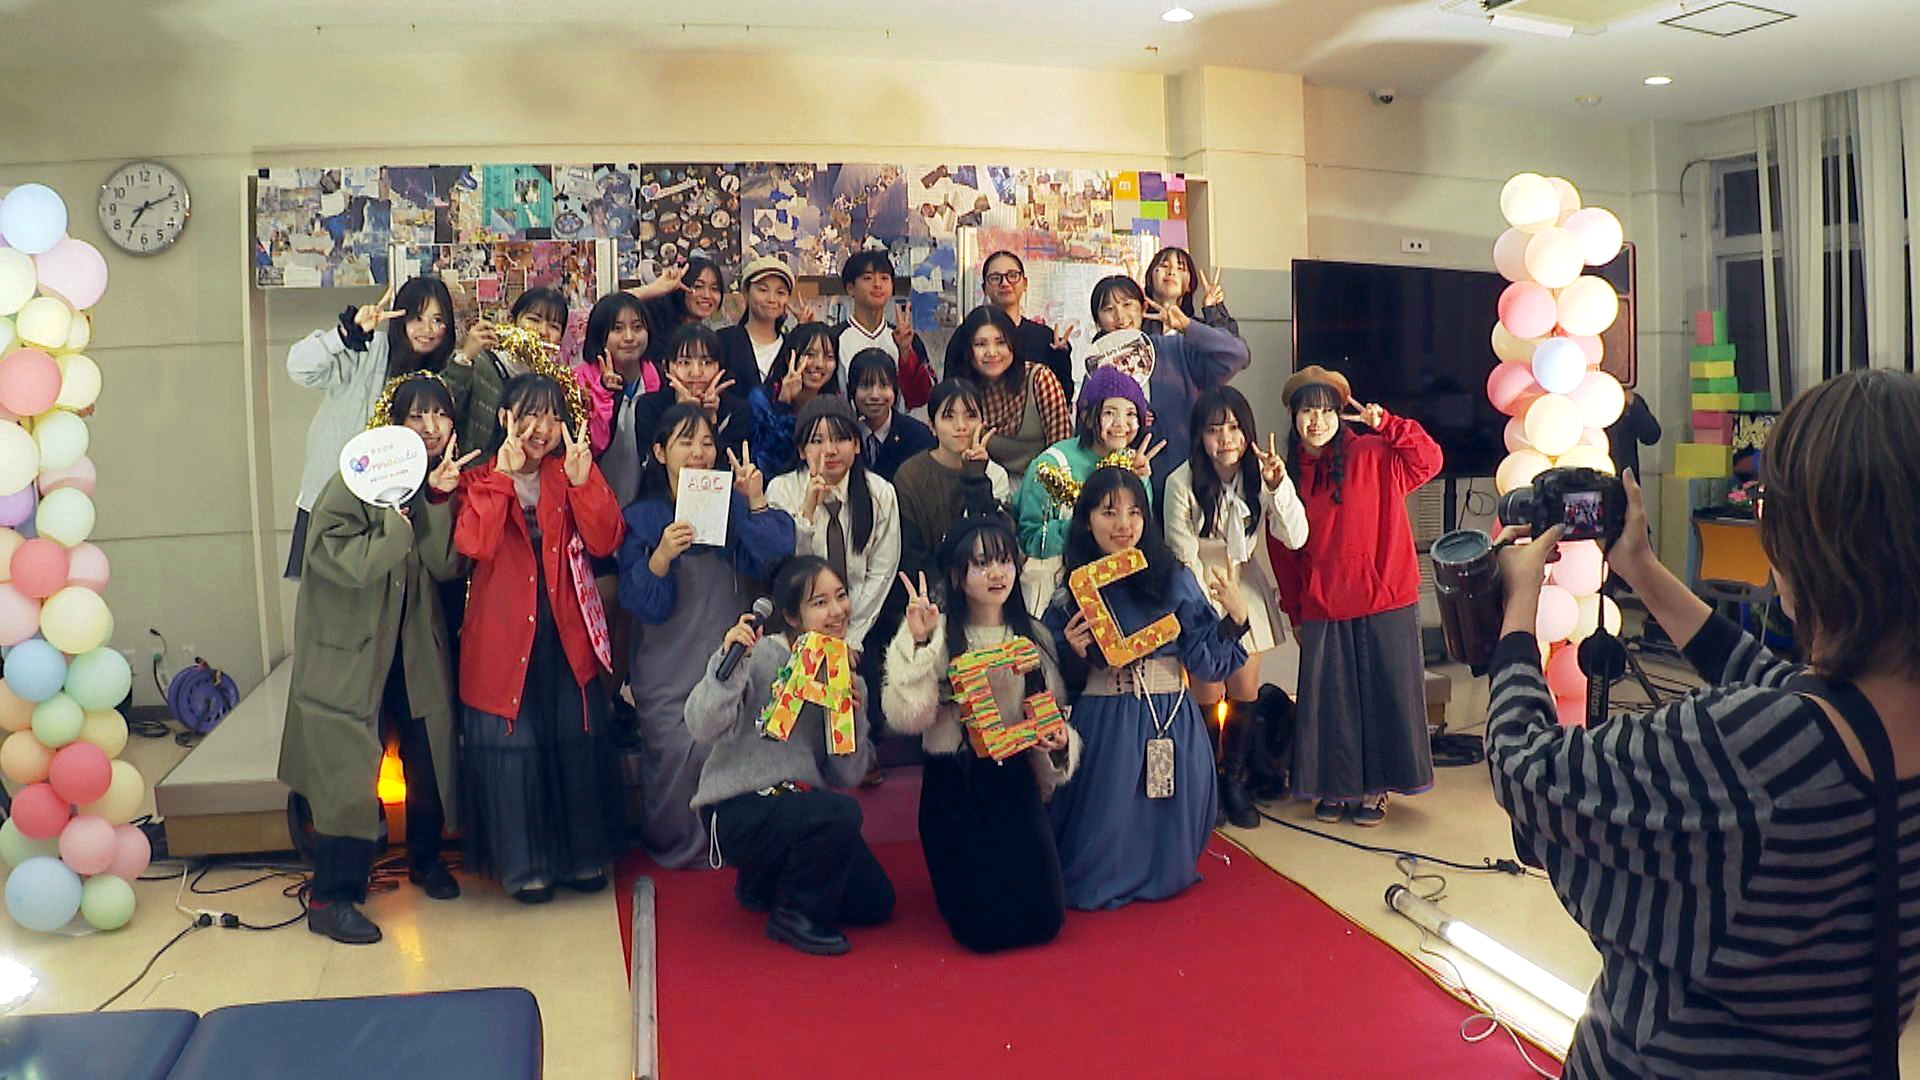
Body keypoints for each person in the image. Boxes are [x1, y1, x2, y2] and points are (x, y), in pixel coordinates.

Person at [1485, 369, 1920, 1078]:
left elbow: (1524, 767)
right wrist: (1642, 569)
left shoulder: (1753, 753)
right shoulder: (1849, 722)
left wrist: (1515, 614)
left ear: (1813, 541)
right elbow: (1774, 682)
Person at [280, 373, 476, 944]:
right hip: (351, 658)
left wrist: (437, 500)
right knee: (347, 778)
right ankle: (332, 896)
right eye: (417, 416)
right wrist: (397, 520)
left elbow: (445, 564)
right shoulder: (353, 481)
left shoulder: (435, 483)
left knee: (426, 755)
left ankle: (425, 858)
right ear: (395, 425)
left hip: (413, 651)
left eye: (441, 415)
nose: (431, 427)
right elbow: (346, 561)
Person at [454, 373, 627, 901]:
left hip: (565, 631)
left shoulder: (569, 470)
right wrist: (502, 479)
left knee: (576, 741)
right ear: (504, 418)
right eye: (529, 414)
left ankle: (581, 856)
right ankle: (524, 866)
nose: (541, 427)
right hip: (503, 638)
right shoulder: (479, 477)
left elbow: (606, 539)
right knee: (516, 750)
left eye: (552, 416)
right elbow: (474, 545)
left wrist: (584, 482)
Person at [1044, 467, 1249, 910]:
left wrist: (1235, 621)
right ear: (1086, 520)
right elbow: (1049, 675)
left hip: (1172, 717)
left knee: (1169, 824)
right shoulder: (1073, 589)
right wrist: (1072, 653)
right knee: (1099, 835)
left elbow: (1206, 663)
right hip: (1104, 722)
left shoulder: (1173, 576)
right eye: (1109, 512)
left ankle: (1164, 869)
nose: (1123, 524)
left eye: (1134, 512)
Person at [882, 517, 1080, 952]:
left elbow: (1052, 712)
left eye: (1004, 561)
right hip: (955, 787)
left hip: (1014, 784)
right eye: (981, 564)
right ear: (956, 575)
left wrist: (1059, 744)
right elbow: (908, 717)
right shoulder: (935, 633)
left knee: (1045, 919)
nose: (996, 574)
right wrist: (918, 644)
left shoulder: (1035, 635)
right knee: (982, 930)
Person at [685, 557, 894, 956]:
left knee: (876, 902)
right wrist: (727, 665)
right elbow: (701, 725)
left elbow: (848, 775)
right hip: (737, 806)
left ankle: (761, 881)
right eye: (820, 603)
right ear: (792, 616)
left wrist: (852, 714)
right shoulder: (757, 654)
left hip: (798, 806)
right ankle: (793, 915)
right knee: (839, 814)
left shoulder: (846, 676)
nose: (837, 611)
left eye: (841, 596)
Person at [618, 405, 795, 868]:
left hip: (723, 650)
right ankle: (675, 847)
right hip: (666, 660)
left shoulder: (733, 505)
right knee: (675, 751)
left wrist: (755, 501)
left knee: (725, 742)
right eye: (685, 442)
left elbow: (775, 558)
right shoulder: (641, 516)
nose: (698, 452)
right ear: (660, 452)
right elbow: (641, 603)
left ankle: (729, 846)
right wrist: (661, 556)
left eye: (706, 442)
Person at [1265, 367, 1441, 826]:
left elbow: (1429, 460)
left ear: (1341, 415)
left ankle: (1375, 790)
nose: (1317, 421)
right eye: (1308, 411)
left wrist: (1390, 424)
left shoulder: (1374, 452)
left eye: (1327, 411)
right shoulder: (1284, 474)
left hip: (1386, 596)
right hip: (1324, 602)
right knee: (1332, 704)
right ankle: (1336, 787)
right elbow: (1283, 551)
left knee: (1384, 699)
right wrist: (1295, 611)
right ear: (1293, 416)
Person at [1163, 386, 1308, 829]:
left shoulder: (1260, 474)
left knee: (1244, 690)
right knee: (1208, 693)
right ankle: (1207, 782)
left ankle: (1234, 780)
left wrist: (1278, 486)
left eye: (1234, 427)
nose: (1226, 438)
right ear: (1199, 436)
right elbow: (1182, 555)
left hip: (1244, 586)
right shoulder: (1180, 482)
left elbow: (1295, 536)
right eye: (1214, 430)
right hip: (1198, 591)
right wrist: (1213, 610)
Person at [286, 277, 456, 578]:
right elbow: (300, 368)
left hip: (399, 509)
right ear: (400, 317)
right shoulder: (367, 348)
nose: (427, 329)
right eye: (417, 318)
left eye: (437, 320)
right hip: (339, 500)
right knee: (331, 593)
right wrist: (345, 334)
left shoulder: (441, 375)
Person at [1013, 366, 1161, 617]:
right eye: (1109, 413)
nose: (1121, 424)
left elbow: (1142, 535)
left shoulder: (1135, 464)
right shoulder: (1052, 464)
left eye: (1130, 414)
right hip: (1060, 588)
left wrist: (1140, 482)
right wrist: (1086, 526)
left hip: (1121, 582)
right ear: (1088, 417)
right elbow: (1031, 538)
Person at [766, 396, 900, 659]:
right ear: (802, 450)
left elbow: (881, 572)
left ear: (856, 445)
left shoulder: (880, 493)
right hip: (797, 636)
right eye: (817, 441)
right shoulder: (781, 490)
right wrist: (807, 512)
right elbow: (788, 572)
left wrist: (850, 639)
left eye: (840, 439)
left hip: (859, 632)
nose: (830, 450)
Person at [1088, 275, 1250, 488]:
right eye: (1108, 309)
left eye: (1128, 305)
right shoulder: (1095, 368)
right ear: (1098, 321)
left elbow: (1237, 355)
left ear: (1143, 308)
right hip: (1125, 487)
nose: (1120, 316)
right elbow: (1087, 432)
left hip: (1185, 480)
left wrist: (1188, 326)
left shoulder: (1173, 348)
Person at [892, 379, 1012, 585]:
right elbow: (912, 555)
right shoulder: (909, 475)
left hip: (985, 583)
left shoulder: (995, 474)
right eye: (949, 416)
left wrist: (976, 477)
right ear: (932, 426)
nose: (961, 426)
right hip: (929, 589)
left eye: (971, 416)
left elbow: (993, 543)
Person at [443, 287, 570, 458]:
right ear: (512, 321)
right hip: (478, 470)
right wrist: (465, 357)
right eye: (534, 320)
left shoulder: (555, 381)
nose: (542, 332)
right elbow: (446, 407)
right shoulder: (480, 362)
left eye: (554, 326)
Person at [627, 323, 750, 489]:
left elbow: (726, 473)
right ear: (667, 366)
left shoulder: (737, 410)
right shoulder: (649, 406)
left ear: (719, 366)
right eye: (684, 362)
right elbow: (651, 466)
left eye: (706, 362)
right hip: (661, 495)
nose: (696, 372)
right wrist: (682, 415)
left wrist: (710, 420)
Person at [954, 305, 1072, 478]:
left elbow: (1062, 454)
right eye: (980, 344)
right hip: (986, 483)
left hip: (1042, 484)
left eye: (1001, 342)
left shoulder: (1039, 379)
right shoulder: (963, 391)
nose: (992, 352)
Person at [940, 251, 1077, 399]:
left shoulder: (1045, 338)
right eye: (995, 278)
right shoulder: (966, 334)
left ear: (1025, 283)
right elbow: (950, 394)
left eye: (1012, 275)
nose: (1004, 283)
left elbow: (1063, 396)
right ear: (985, 288)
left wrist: (1060, 356)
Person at [585, 291, 662, 505]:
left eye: (637, 328)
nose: (629, 337)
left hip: (644, 506)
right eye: (617, 329)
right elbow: (593, 444)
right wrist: (603, 392)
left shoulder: (659, 381)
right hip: (594, 506)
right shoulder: (580, 382)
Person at [831, 250, 935, 410]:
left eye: (884, 278)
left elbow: (922, 397)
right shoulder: (834, 339)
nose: (877, 284)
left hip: (897, 425)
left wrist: (905, 352)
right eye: (868, 278)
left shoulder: (907, 339)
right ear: (850, 288)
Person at [748, 322, 842, 473]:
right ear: (789, 357)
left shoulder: (836, 404)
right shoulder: (762, 399)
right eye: (810, 355)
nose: (819, 364)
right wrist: (783, 407)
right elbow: (765, 464)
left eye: (829, 357)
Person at [717, 256, 814, 391]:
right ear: (746, 293)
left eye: (780, 292)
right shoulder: (723, 341)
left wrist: (807, 331)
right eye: (763, 290)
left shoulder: (791, 348)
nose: (772, 299)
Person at [848, 348, 936, 481]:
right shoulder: (844, 436)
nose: (875, 395)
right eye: (865, 385)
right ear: (852, 390)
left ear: (895, 389)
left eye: (884, 385)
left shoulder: (920, 437)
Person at [1140, 247, 1240, 338]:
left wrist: (1213, 309)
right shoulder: (1139, 322)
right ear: (1150, 278)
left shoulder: (1198, 328)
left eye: (1180, 268)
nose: (1171, 272)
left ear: (1189, 284)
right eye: (1164, 265)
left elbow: (1231, 347)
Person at [1605, 385, 1661, 482]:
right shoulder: (1586, 398)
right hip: (1592, 477)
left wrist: (1634, 403)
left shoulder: (1629, 401)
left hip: (1624, 481)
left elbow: (1652, 435)